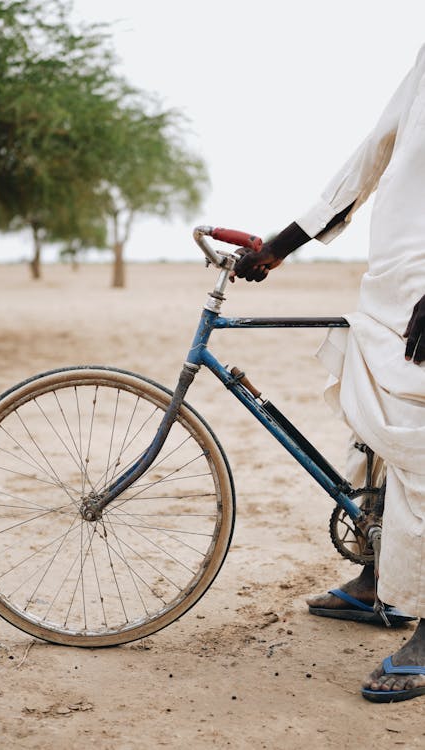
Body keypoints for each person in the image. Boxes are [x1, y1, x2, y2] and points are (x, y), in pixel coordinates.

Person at [234, 44, 425, 703]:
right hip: (392, 284)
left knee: (420, 456)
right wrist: (281, 244)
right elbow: (373, 151)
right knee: (371, 438)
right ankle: (380, 581)